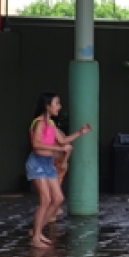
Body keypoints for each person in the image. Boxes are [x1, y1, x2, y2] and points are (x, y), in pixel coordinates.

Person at [27, 92, 91, 248]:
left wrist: (80, 132)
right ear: (47, 106)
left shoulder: (51, 123)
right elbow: (36, 145)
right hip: (37, 163)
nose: (59, 106)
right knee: (45, 200)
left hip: (48, 163)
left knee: (58, 199)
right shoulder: (39, 123)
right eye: (57, 103)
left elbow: (62, 140)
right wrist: (59, 149)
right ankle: (35, 238)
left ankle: (36, 231)